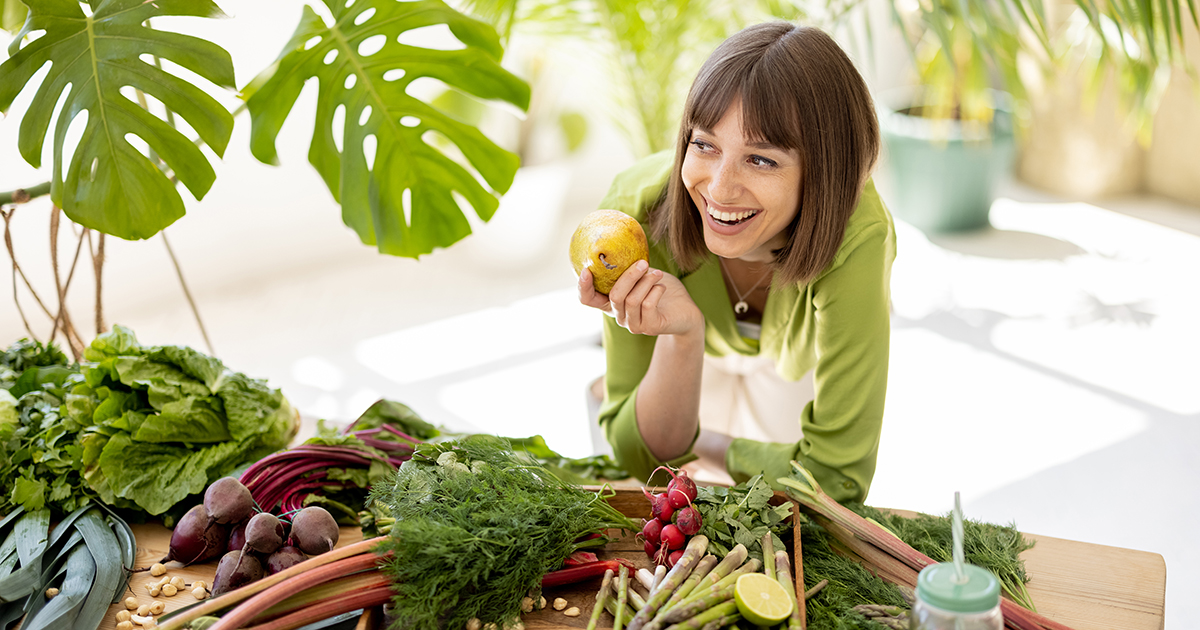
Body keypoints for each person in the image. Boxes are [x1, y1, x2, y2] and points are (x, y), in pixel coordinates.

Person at [576, 21, 895, 503]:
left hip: (792, 359)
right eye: (705, 145)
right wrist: (681, 337)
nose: (720, 189)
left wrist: (714, 447)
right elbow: (640, 460)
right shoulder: (634, 218)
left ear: (825, 169)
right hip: (700, 348)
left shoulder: (858, 236)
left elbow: (835, 480)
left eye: (761, 160)